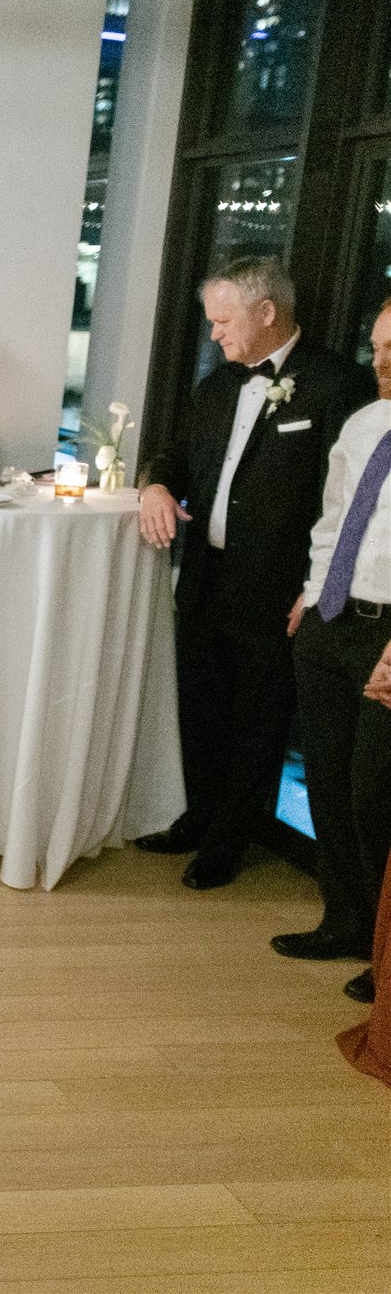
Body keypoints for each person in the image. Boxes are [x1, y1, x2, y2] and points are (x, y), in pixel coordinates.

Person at [135, 257, 374, 889]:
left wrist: (317, 586)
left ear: (266, 312)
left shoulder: (334, 385)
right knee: (200, 707)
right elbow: (174, 454)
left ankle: (229, 840)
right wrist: (155, 486)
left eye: (223, 320)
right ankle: (199, 816)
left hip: (277, 589)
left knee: (258, 720)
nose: (212, 334)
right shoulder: (215, 387)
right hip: (206, 579)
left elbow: (349, 500)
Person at [282, 294, 391, 998]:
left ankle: (386, 956)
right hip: (329, 615)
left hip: (388, 633)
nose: (382, 364)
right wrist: (311, 589)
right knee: (323, 774)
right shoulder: (365, 421)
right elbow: (336, 518)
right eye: (378, 348)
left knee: (372, 792)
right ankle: (344, 920)